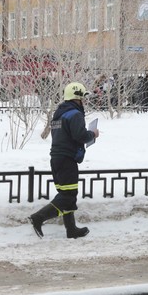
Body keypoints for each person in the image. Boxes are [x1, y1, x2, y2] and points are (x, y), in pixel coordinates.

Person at [29, 82, 99, 239]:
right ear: (78, 97)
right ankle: (38, 217)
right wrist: (92, 134)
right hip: (67, 160)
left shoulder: (59, 114)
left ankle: (71, 229)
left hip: (56, 159)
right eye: (83, 98)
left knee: (66, 194)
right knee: (68, 196)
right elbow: (80, 135)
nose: (84, 101)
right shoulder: (75, 114)